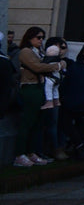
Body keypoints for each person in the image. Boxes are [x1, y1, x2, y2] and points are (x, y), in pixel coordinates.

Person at [13, 27, 64, 168]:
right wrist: (58, 65)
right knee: (27, 122)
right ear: (30, 38)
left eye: (42, 37)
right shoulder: (25, 52)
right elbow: (38, 67)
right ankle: (20, 154)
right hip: (30, 87)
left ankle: (31, 152)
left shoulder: (38, 52)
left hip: (39, 87)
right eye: (38, 37)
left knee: (37, 123)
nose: (41, 40)